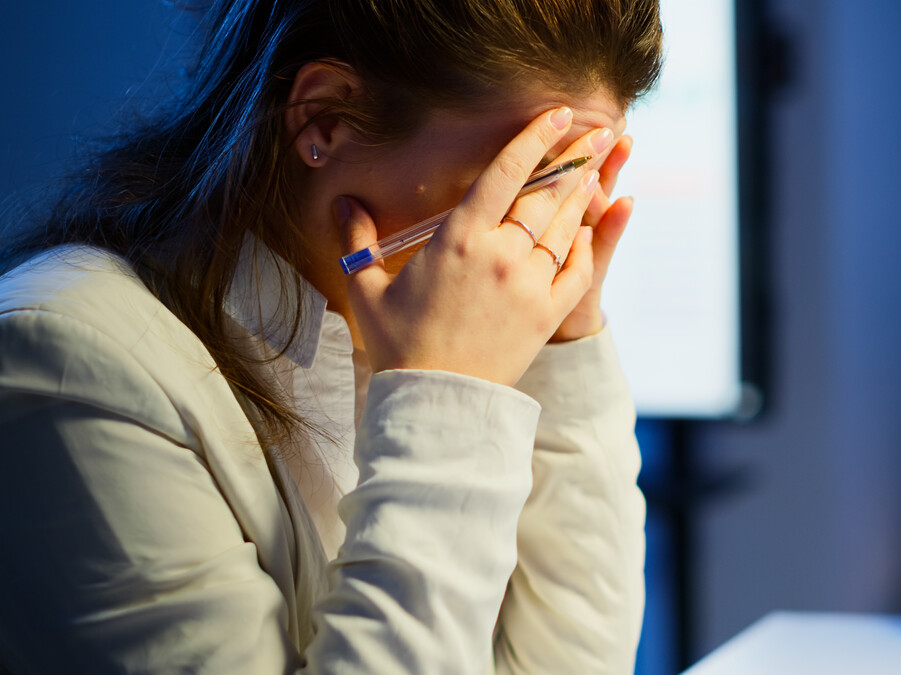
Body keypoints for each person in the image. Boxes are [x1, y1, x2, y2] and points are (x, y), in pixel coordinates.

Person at [0, 0, 662, 672]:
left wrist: (564, 338)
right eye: (520, 181)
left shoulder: (395, 336)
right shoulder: (72, 367)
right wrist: (446, 402)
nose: (540, 233)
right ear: (326, 117)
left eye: (571, 186)